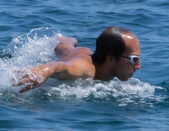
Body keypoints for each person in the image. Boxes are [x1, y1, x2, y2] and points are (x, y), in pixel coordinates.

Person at [11, 26, 141, 93]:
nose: (138, 66)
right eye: (133, 59)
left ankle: (65, 40)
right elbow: (58, 67)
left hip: (73, 51)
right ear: (111, 57)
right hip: (72, 59)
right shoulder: (85, 69)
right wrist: (43, 70)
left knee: (64, 46)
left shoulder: (88, 55)